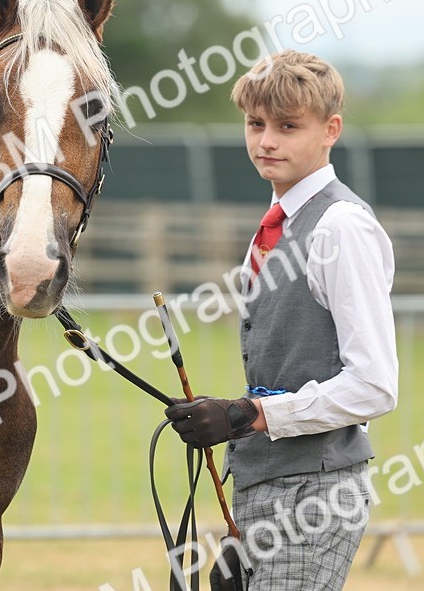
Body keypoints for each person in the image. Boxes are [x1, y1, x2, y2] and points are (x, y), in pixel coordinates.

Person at [165, 50, 399, 590]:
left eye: (288, 126)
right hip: (264, 485)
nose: (267, 141)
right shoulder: (272, 225)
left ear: (329, 130)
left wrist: (251, 415)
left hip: (316, 493)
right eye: (256, 124)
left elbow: (374, 386)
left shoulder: (340, 227)